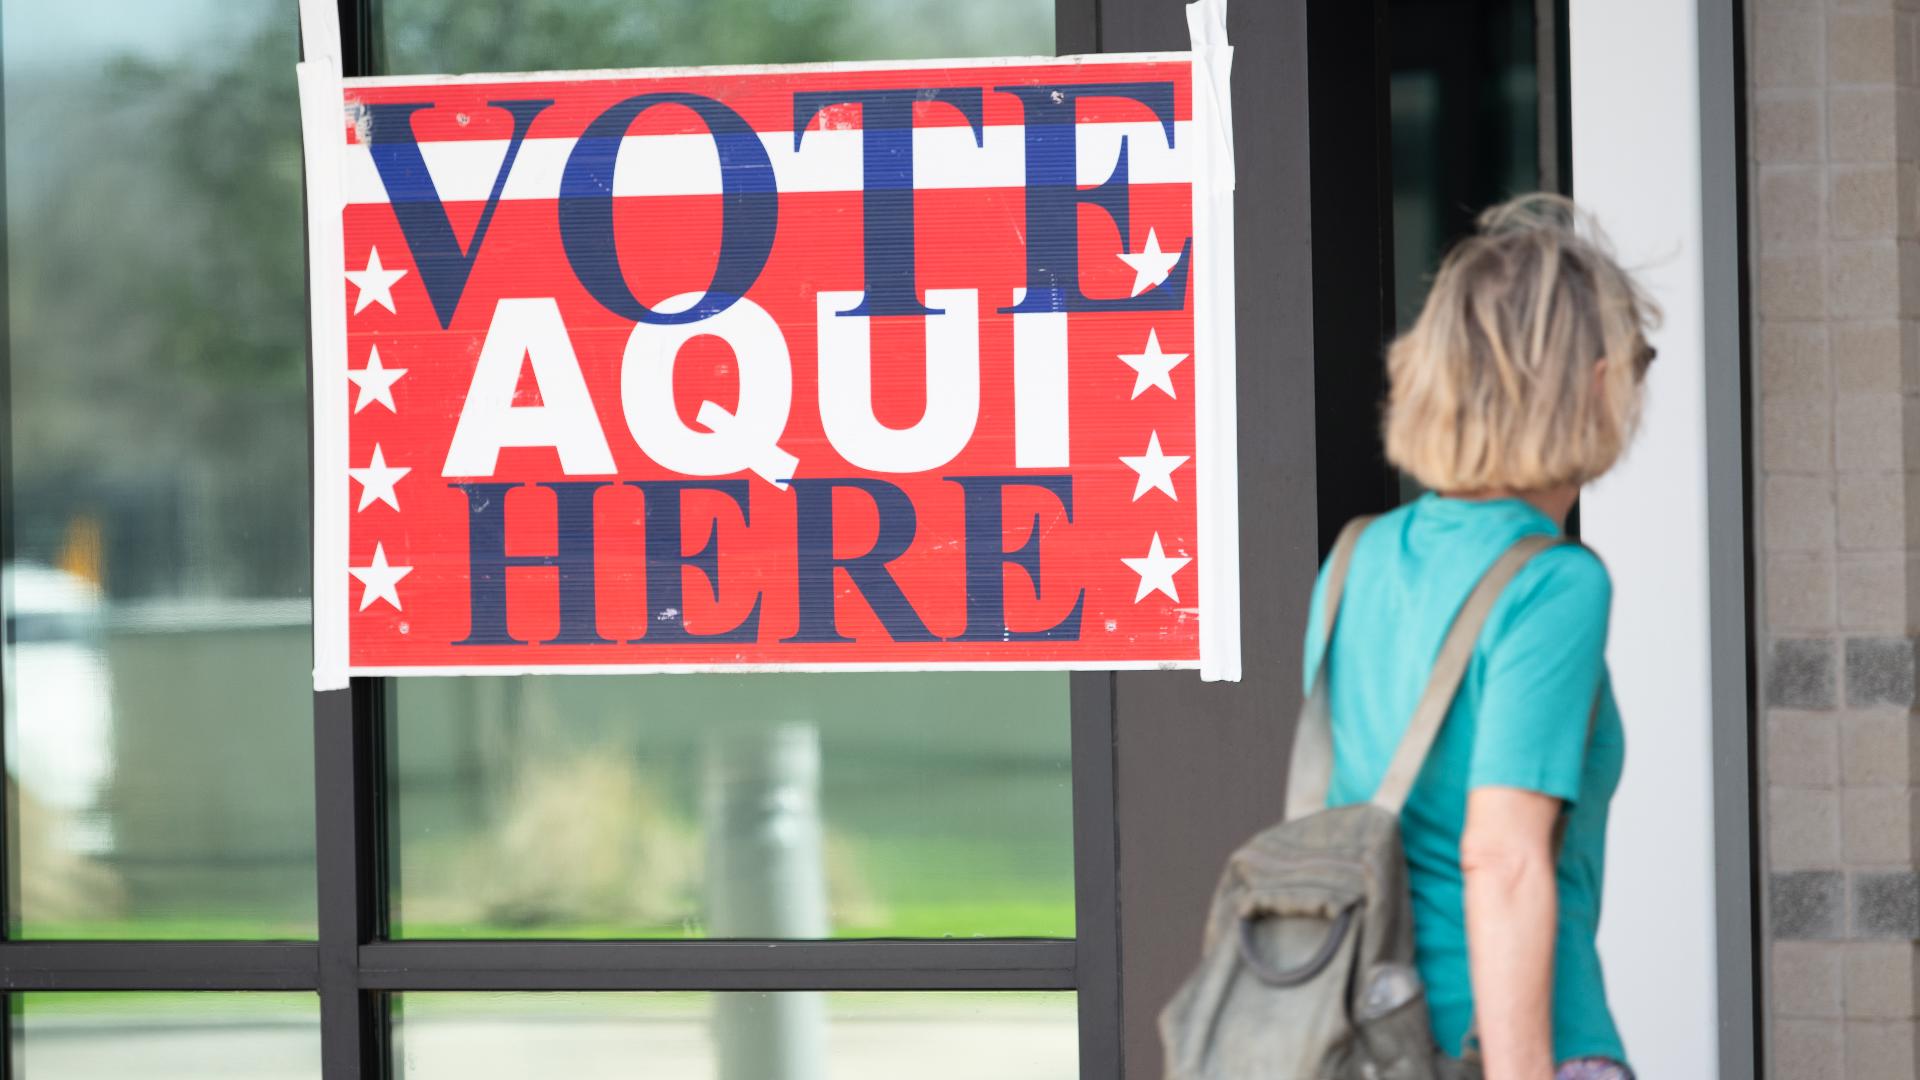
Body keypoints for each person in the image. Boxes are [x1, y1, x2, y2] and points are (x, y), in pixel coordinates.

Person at [1302, 194, 1655, 1080]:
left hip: (1358, 1041)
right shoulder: (1553, 584)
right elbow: (1499, 857)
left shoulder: (1358, 559)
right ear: (1595, 381)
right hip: (1495, 1048)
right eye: (1637, 358)